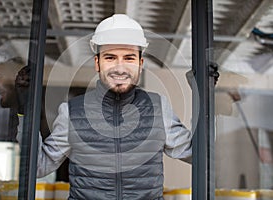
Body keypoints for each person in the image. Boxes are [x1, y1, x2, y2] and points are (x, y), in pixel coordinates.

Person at [16, 14, 192, 199]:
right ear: (97, 63)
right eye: (110, 57)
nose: (120, 68)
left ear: (140, 64)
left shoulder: (158, 108)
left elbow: (197, 156)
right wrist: (25, 112)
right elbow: (37, 167)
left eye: (129, 58)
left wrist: (204, 101)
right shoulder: (72, 112)